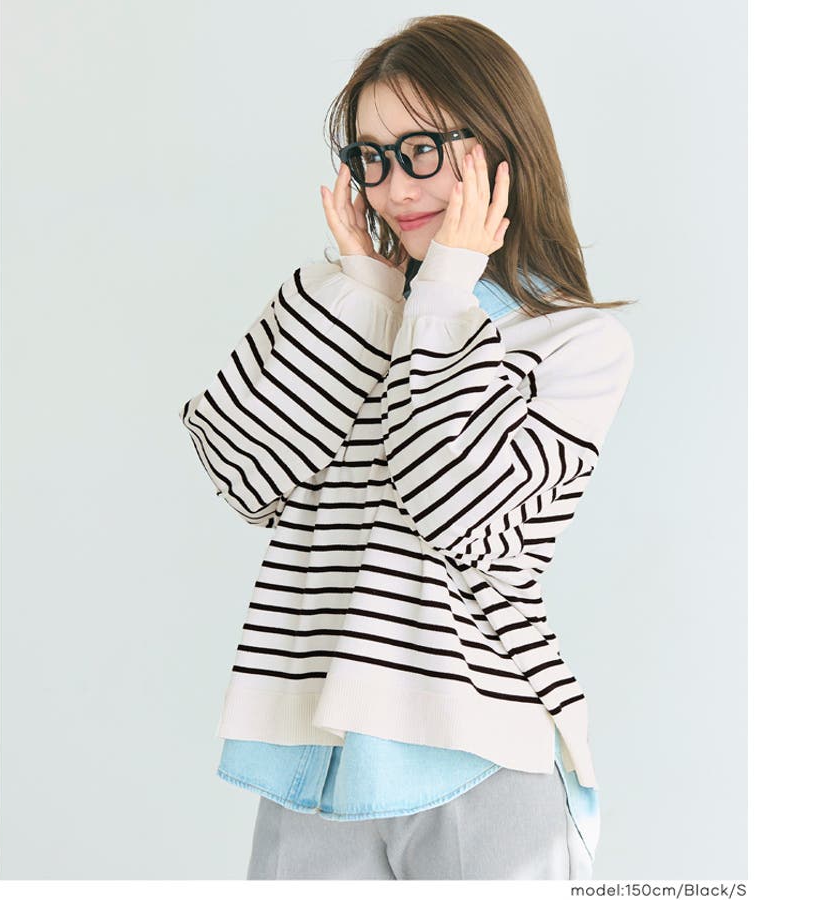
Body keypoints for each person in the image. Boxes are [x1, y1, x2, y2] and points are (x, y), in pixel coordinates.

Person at [179, 14, 636, 880]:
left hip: (481, 747)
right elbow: (242, 472)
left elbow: (452, 508)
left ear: (498, 145)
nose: (394, 186)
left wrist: (446, 291)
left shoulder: (574, 345)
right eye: (372, 158)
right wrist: (365, 292)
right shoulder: (348, 305)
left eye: (421, 150)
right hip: (317, 751)